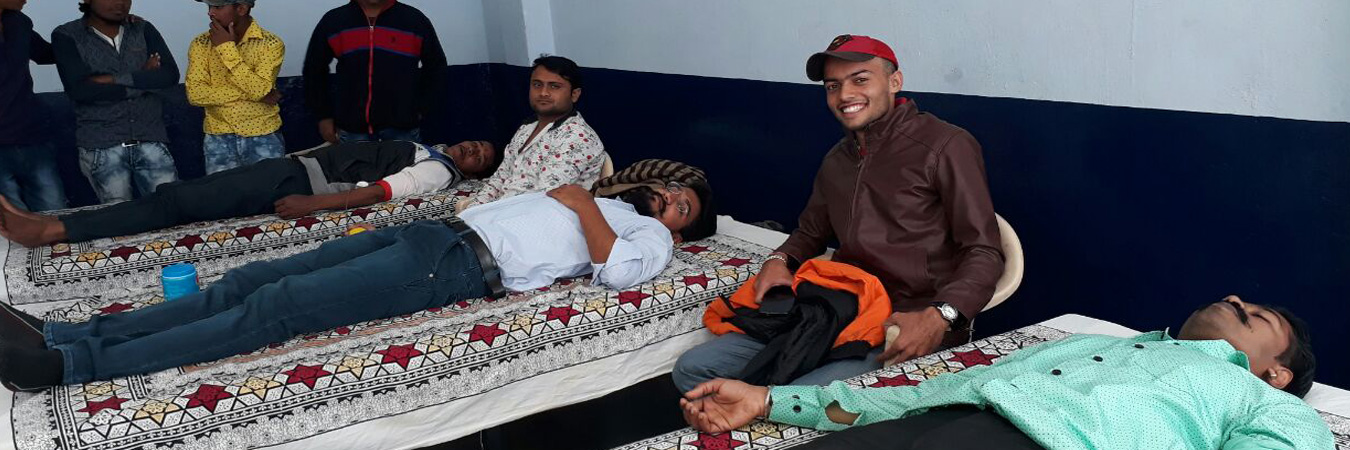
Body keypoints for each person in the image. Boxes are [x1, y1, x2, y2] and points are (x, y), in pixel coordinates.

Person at [0, 170, 717, 391]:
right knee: (249, 279)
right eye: (670, 191)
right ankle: (68, 331)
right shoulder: (615, 203)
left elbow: (616, 274)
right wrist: (585, 199)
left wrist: (583, 202)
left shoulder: (649, 238)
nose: (668, 200)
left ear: (682, 230)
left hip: (452, 268)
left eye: (681, 206)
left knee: (277, 308)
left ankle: (71, 366)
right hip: (430, 233)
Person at [672, 35, 1003, 392]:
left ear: (894, 81)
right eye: (833, 86)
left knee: (797, 399)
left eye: (860, 79)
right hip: (839, 309)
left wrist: (941, 316)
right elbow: (810, 232)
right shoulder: (838, 160)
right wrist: (779, 259)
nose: (845, 95)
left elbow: (984, 251)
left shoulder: (945, 145)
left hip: (905, 320)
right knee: (693, 368)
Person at [680, 296, 1332, 449]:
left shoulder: (1261, 401)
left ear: (1276, 372)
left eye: (1256, 315)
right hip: (941, 423)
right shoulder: (1085, 345)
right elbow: (928, 390)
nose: (1235, 300)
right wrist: (769, 400)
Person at [0, 140, 496, 247]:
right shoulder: (428, 147)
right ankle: (53, 223)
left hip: (294, 184)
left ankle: (52, 230)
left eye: (479, 156)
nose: (471, 149)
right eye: (474, 142)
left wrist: (311, 204)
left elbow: (380, 193)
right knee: (179, 195)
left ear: (474, 172)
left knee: (177, 203)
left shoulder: (438, 171)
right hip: (288, 169)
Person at [52, 0, 180, 204]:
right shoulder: (67, 35)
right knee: (118, 217)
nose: (120, 3)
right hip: (101, 146)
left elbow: (169, 76)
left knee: (172, 208)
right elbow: (81, 91)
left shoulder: (142, 28)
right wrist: (143, 79)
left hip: (150, 138)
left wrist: (111, 79)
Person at [460, 56, 605, 210]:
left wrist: (490, 217)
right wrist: (471, 213)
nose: (543, 93)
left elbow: (544, 198)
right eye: (537, 84)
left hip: (539, 217)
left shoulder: (577, 137)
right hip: (503, 212)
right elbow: (499, 179)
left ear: (574, 94)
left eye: (554, 86)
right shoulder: (527, 128)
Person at [303, 0, 446, 144]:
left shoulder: (414, 20)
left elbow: (436, 67)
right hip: (352, 130)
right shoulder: (334, 21)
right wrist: (323, 115)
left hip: (403, 130)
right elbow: (314, 70)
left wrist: (421, 108)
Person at [186, 0, 285, 174]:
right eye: (209, 7)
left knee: (269, 190)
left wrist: (226, 49)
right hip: (218, 139)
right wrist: (256, 93)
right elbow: (195, 94)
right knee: (223, 192)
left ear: (241, 8)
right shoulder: (201, 43)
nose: (210, 13)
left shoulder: (270, 43)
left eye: (218, 7)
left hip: (263, 135)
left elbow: (259, 90)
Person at [0, 0, 69, 212]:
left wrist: (98, 27)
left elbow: (47, 53)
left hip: (31, 137)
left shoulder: (18, 22)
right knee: (12, 223)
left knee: (55, 214)